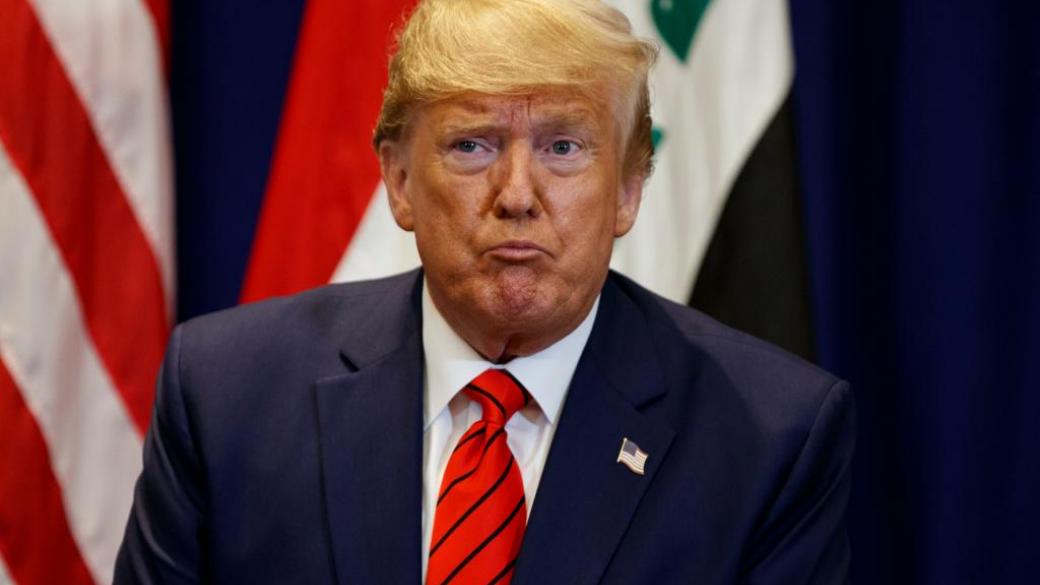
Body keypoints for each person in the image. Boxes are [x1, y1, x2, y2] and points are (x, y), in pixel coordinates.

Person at [115, 0, 855, 583]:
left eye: (563, 147)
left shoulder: (768, 437)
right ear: (399, 180)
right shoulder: (227, 396)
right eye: (472, 145)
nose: (517, 195)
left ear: (630, 189)